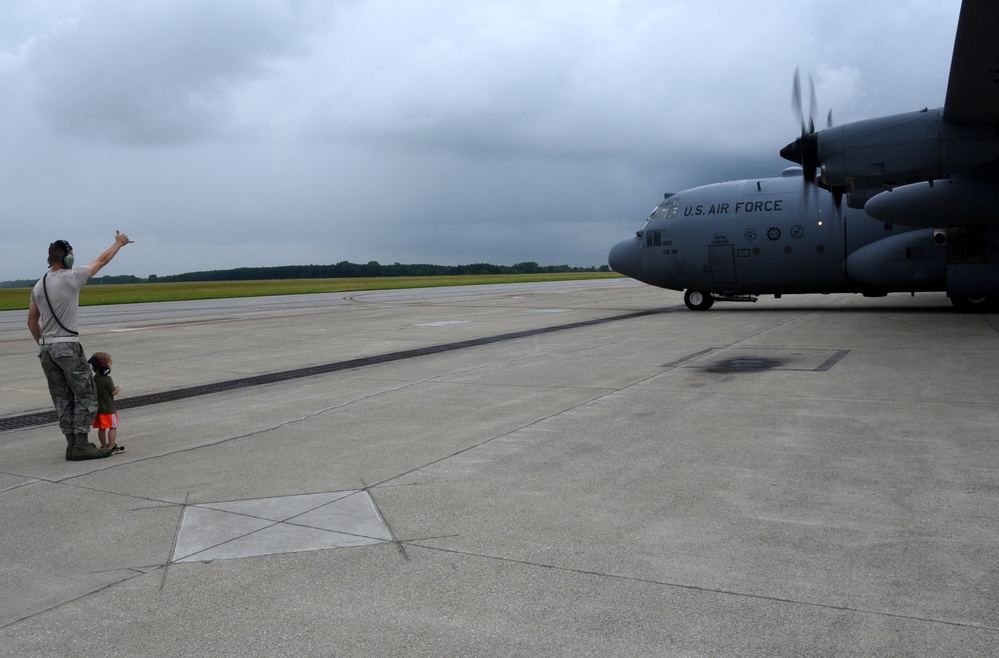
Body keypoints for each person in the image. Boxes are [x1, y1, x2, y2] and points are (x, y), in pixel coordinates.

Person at [27, 231, 134, 461]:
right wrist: (118, 243)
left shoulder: (39, 285)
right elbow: (102, 261)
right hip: (67, 345)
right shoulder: (72, 276)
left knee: (62, 399)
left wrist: (46, 345)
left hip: (46, 350)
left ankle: (72, 444)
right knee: (87, 396)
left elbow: (31, 321)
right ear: (67, 258)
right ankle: (82, 444)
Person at [89, 351, 123, 453]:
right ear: (104, 367)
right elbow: (112, 392)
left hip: (99, 410)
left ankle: (104, 446)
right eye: (110, 364)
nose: (111, 366)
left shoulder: (95, 378)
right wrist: (117, 390)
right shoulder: (107, 379)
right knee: (113, 427)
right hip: (109, 408)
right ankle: (111, 446)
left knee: (102, 428)